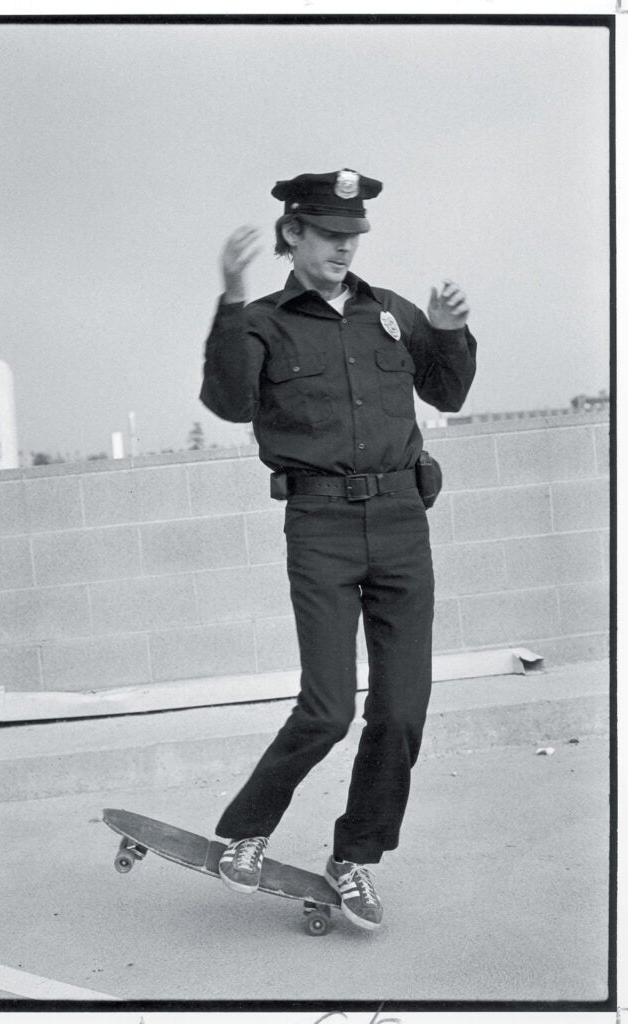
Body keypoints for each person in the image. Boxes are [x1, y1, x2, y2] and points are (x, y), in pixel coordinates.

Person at [199, 169, 476, 930]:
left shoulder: (390, 314)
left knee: (402, 711)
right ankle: (247, 832)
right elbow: (227, 401)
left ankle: (353, 857)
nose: (344, 247)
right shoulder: (260, 321)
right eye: (328, 234)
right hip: (320, 528)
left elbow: (446, 393)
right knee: (326, 709)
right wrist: (227, 297)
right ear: (291, 234)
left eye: (352, 236)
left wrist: (448, 328)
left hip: (400, 523)